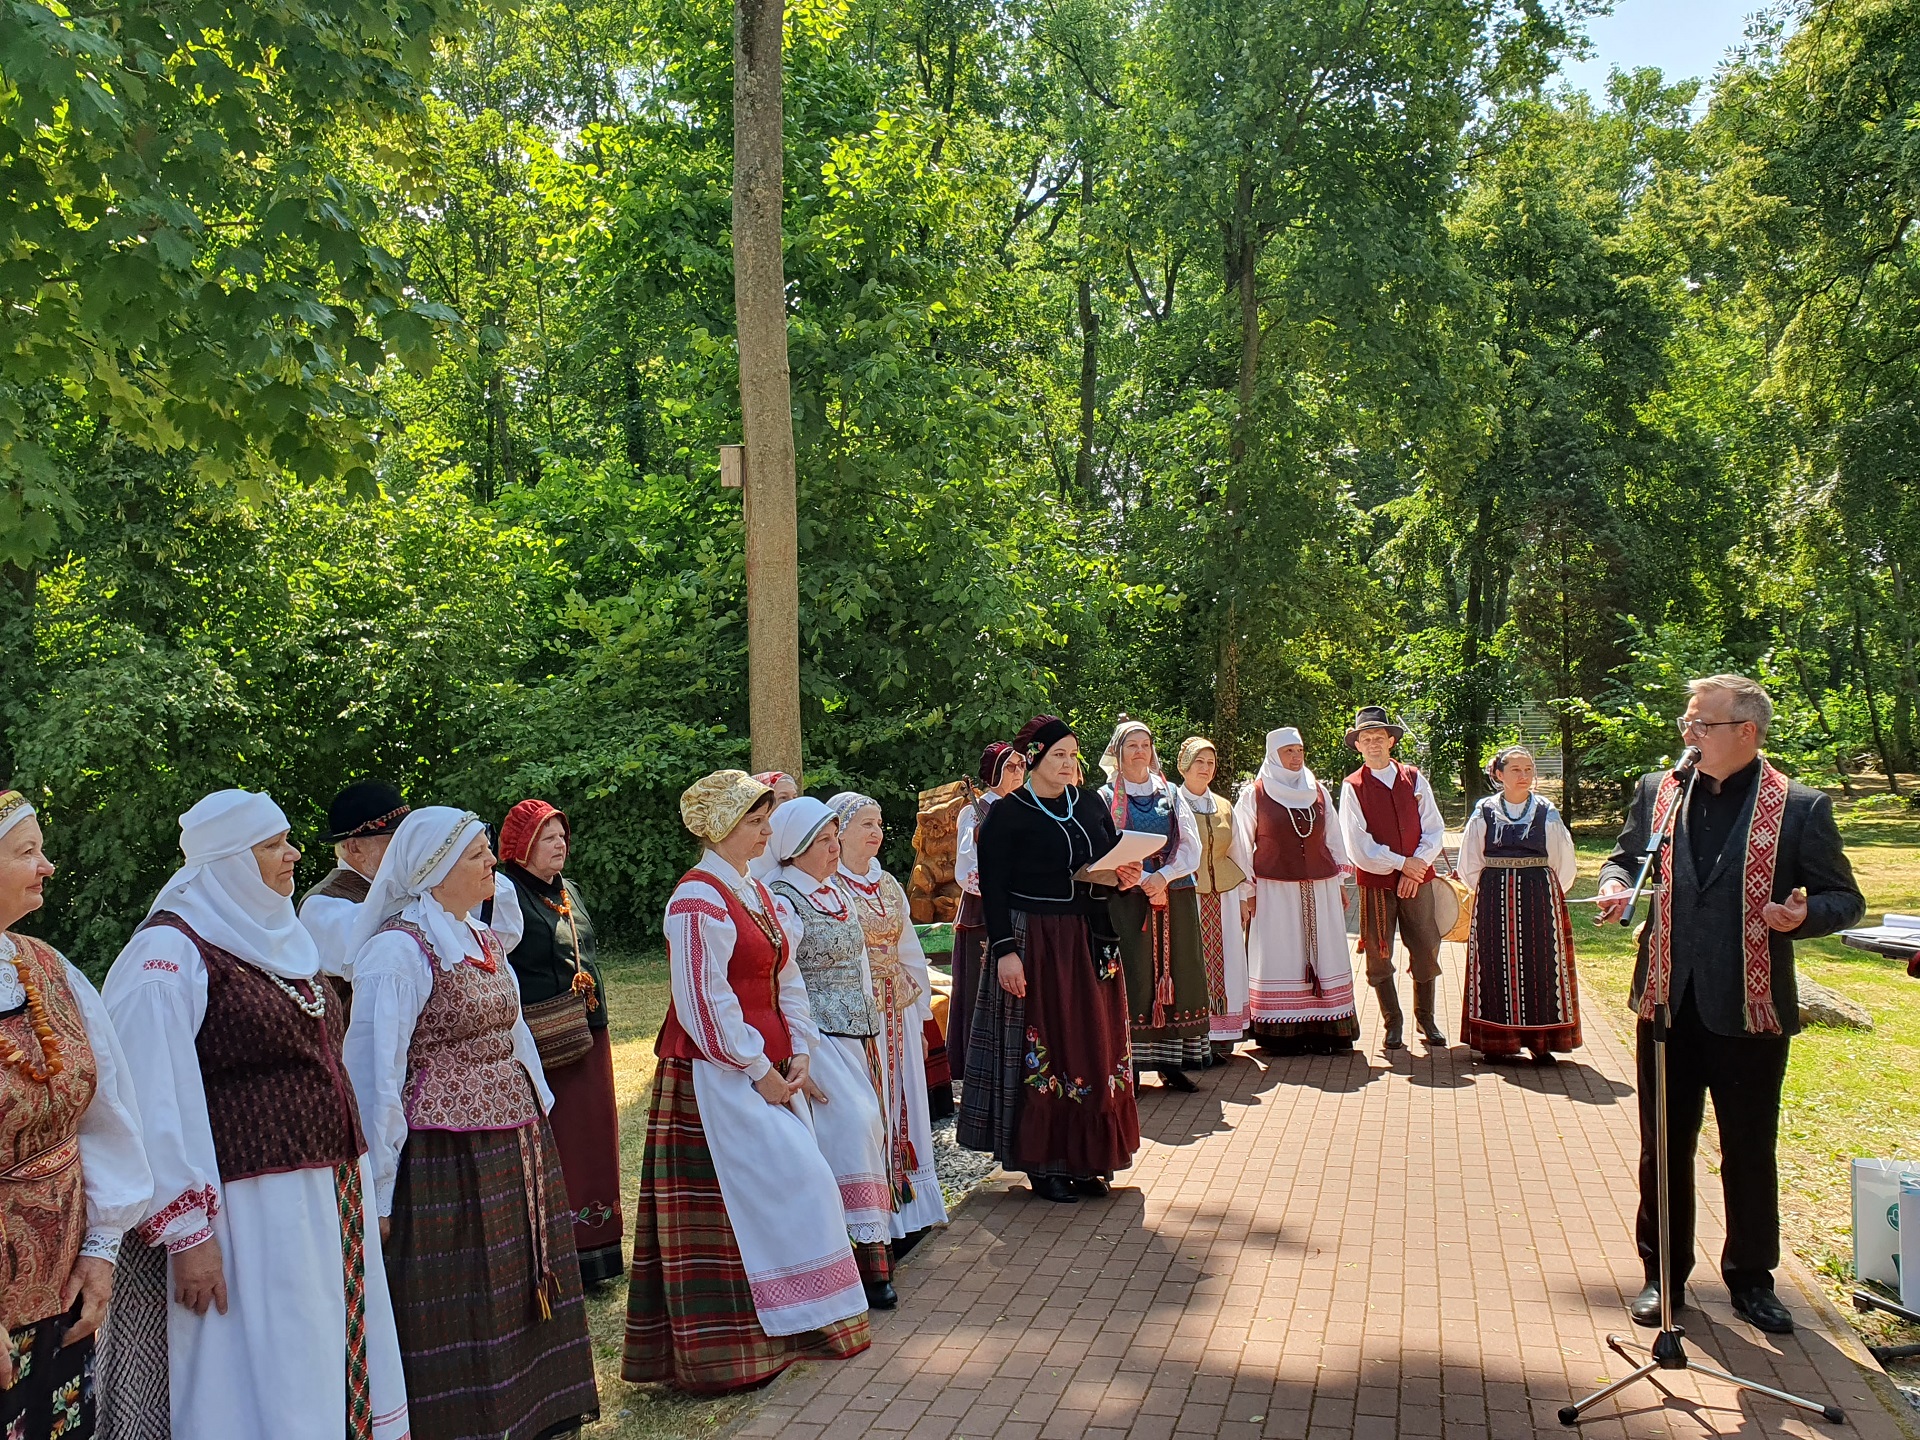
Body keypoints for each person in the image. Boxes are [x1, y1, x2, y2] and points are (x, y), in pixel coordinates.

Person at [97, 788, 410, 1440]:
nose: (295, 854)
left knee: (320, 1353)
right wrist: (190, 1235)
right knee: (265, 1369)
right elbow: (151, 1101)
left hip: (322, 1197)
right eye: (274, 845)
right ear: (229, 861)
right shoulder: (167, 956)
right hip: (246, 1213)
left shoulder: (278, 935)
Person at [1596, 675, 1864, 1336]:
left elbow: (1844, 898)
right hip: (1664, 1002)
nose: (1689, 736)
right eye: (1687, 724)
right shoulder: (1661, 791)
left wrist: (1799, 916)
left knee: (1747, 1147)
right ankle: (1663, 1276)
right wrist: (1613, 881)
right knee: (1662, 1147)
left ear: (1746, 732)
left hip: (1748, 1007)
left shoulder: (1800, 807)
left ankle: (1751, 1279)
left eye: (1702, 725)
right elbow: (1628, 856)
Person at [343, 806, 598, 1439]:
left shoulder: (481, 939)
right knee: (467, 1298)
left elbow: (514, 1034)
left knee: (516, 1286)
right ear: (435, 870)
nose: (493, 863)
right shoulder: (397, 954)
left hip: (513, 1142)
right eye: (479, 854)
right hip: (445, 1158)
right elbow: (376, 1079)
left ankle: (532, 1414)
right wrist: (379, 1187)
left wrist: (539, 1110)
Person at [623, 770, 870, 1394]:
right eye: (756, 822)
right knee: (773, 1190)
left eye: (765, 820)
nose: (767, 830)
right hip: (716, 1073)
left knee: (785, 1192)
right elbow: (703, 1002)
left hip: (769, 1065)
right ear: (723, 828)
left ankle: (793, 1327)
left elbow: (785, 976)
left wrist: (803, 1053)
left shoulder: (753, 890)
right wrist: (758, 1070)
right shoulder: (696, 899)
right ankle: (730, 1348)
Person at [0, 791, 150, 1440]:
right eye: (27, 851)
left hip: (59, 1286)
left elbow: (106, 1117)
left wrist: (100, 1249)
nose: (49, 864)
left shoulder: (45, 969)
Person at [958, 715, 1141, 1204]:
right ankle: (1043, 1163)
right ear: (1035, 758)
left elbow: (1103, 861)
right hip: (1032, 939)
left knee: (1090, 1045)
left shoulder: (1089, 803)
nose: (1067, 762)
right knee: (1046, 1044)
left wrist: (1124, 873)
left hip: (1086, 938)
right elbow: (992, 888)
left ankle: (1086, 1159)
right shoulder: (1008, 813)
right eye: (1057, 754)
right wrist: (1005, 953)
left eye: (1072, 754)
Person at [766, 799, 898, 1309]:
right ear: (797, 848)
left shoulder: (836, 891)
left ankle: (871, 1261)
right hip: (814, 1038)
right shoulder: (782, 900)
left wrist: (870, 1026)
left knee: (868, 1129)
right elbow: (781, 981)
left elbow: (861, 963)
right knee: (851, 1130)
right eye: (824, 841)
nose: (834, 848)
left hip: (853, 1033)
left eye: (833, 838)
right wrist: (796, 1049)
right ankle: (851, 1261)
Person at [496, 798, 624, 1289]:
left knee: (595, 1139)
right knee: (562, 1139)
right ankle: (562, 1253)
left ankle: (599, 1253)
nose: (559, 845)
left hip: (590, 1031)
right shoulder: (505, 893)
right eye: (548, 837)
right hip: (545, 1038)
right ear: (523, 846)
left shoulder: (568, 890)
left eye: (562, 836)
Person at [830, 792, 950, 1244]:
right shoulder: (832, 886)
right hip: (860, 1014)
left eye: (879, 823)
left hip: (896, 1009)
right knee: (871, 1105)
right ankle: (874, 1213)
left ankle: (908, 1209)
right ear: (838, 833)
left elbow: (910, 954)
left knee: (905, 1100)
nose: (876, 832)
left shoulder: (888, 884)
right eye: (866, 824)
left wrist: (921, 1018)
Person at [298, 780, 525, 1004]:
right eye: (395, 838)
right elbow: (390, 956)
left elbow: (504, 934)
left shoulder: (417, 886)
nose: (408, 845)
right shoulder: (323, 904)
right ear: (355, 848)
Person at [1231, 729, 1360, 1054]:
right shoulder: (1255, 794)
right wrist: (1247, 890)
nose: (1296, 756)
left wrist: (1339, 883)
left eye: (1299, 749)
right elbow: (1241, 844)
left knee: (1326, 953)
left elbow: (1333, 838)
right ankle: (1281, 1032)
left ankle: (1328, 1029)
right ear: (1274, 754)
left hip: (1320, 888)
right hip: (1274, 890)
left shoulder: (1316, 790)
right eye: (1288, 750)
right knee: (1281, 955)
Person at [1098, 717, 1208, 1088]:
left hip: (1173, 891)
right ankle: (1128, 1065)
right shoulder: (1105, 797)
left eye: (1145, 744)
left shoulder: (1171, 793)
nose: (1140, 752)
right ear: (1118, 752)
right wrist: (1145, 881)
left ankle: (1171, 1062)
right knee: (1134, 972)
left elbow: (1191, 845)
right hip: (1127, 896)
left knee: (1178, 969)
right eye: (1132, 745)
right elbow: (1104, 848)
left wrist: (1163, 877)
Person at [1457, 747, 1581, 1062]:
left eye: (1528, 769)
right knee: (1494, 964)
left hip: (1539, 897)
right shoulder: (1484, 810)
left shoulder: (1546, 810)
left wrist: (1550, 892)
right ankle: (1498, 1043)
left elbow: (1562, 860)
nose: (1524, 775)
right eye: (1515, 769)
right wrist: (1487, 891)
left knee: (1541, 964)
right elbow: (1470, 862)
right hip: (1493, 896)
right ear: (1499, 775)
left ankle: (1541, 1043)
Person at [1337, 706, 1447, 1051]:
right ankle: (1392, 1022)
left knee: (1426, 945)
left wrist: (1416, 866)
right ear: (1358, 746)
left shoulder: (1414, 778)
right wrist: (1403, 864)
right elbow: (1358, 844)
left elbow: (1434, 827)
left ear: (1391, 741)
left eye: (1378, 738)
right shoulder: (1353, 786)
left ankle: (1425, 1018)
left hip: (1419, 879)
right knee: (1378, 950)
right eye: (1365, 739)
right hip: (1377, 882)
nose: (1372, 744)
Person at [1175, 738, 1252, 1059]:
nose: (1205, 769)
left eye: (1210, 763)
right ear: (1184, 766)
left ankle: (1223, 1033)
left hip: (1225, 893)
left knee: (1229, 960)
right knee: (1191, 961)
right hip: (1187, 893)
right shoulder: (1172, 801)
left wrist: (1245, 898)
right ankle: (1194, 1034)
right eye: (1199, 762)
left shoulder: (1223, 805)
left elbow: (1239, 852)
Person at [951, 742, 1024, 1078]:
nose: (1018, 772)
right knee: (980, 986)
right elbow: (967, 863)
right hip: (983, 908)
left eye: (1022, 766)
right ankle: (977, 1062)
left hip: (1021, 906)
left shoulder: (1028, 807)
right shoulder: (974, 810)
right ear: (993, 773)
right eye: (1010, 767)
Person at [747, 772, 801, 882]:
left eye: (794, 797)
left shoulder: (800, 837)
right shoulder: (753, 846)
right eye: (783, 798)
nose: (792, 803)